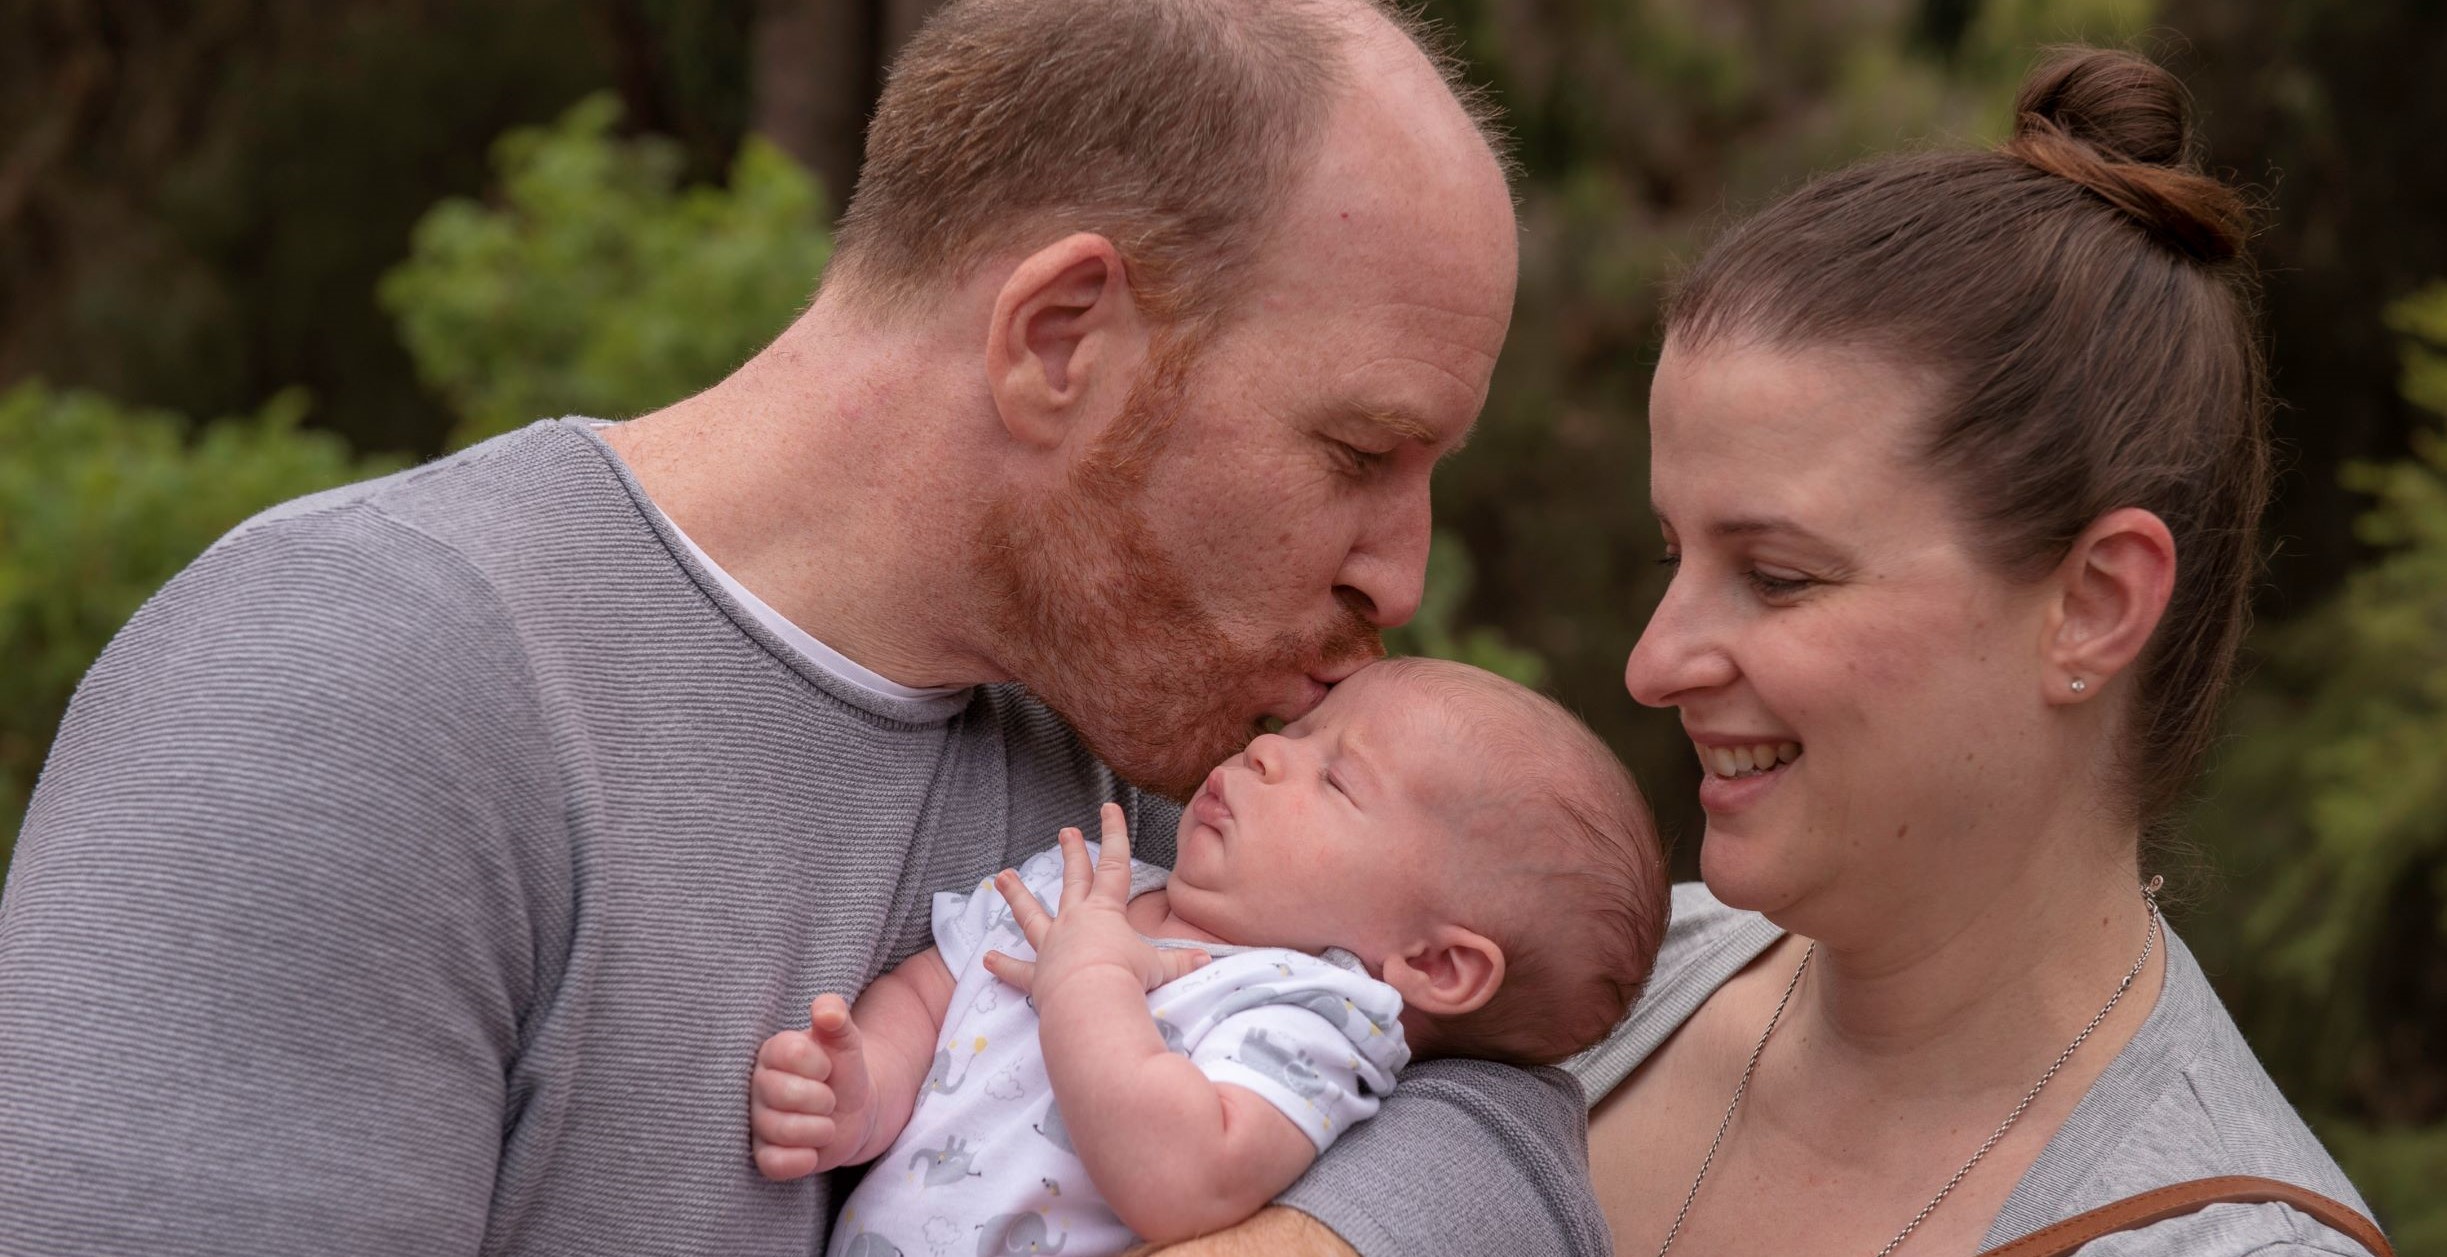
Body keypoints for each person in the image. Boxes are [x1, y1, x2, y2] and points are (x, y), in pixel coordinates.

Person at [0, 2, 1615, 1254]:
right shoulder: (353, 690)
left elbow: (1507, 1088)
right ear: (1062, 336)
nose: (1398, 578)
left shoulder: (1194, 763)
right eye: (1355, 454)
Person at [1575, 48, 2384, 1257]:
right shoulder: (1575, 988)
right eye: (1668, 557)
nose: (1653, 664)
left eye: (1777, 577)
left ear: (2094, 605)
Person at [748, 658, 1666, 1256]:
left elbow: (1178, 1177)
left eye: (1336, 777)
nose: (1267, 751)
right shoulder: (1094, 884)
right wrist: (864, 1087)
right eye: (1298, 734)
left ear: (1436, 965)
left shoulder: (1311, 1018)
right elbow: (936, 990)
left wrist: (1091, 979)